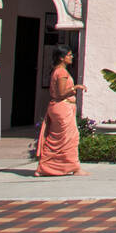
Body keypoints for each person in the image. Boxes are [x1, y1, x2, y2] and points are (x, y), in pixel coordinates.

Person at [35, 47, 89, 177]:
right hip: (62, 108)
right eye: (69, 55)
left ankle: (50, 166)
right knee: (68, 138)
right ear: (61, 57)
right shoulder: (61, 72)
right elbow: (61, 93)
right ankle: (72, 167)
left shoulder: (59, 71)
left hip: (61, 108)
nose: (71, 57)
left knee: (60, 139)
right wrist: (75, 88)